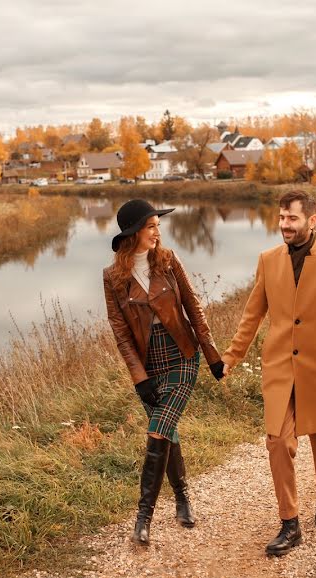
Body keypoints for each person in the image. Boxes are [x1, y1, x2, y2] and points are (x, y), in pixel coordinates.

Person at [221, 189, 316, 557]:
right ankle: (290, 523)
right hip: (280, 367)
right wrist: (231, 357)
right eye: (281, 218)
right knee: (278, 442)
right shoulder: (268, 261)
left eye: (292, 219)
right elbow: (253, 315)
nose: (284, 225)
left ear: (312, 221)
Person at [103, 198, 225, 546]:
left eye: (158, 226)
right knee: (167, 430)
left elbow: (193, 306)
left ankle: (143, 519)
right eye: (151, 226)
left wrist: (212, 354)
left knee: (158, 430)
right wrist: (139, 379)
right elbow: (121, 334)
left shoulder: (168, 262)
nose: (158, 232)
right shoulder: (112, 278)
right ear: (134, 233)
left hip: (182, 355)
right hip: (150, 364)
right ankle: (183, 498)